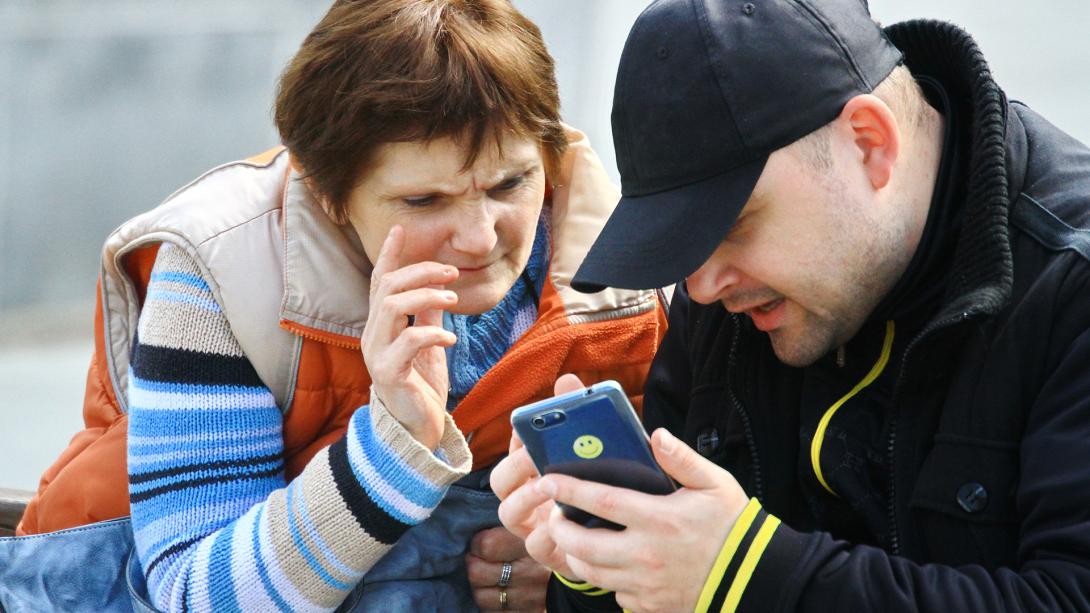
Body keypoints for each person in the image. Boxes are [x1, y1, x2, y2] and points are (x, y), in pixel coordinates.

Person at [1, 1, 667, 611]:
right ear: (330, 196)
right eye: (424, 200)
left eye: (510, 183)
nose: (480, 234)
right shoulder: (219, 269)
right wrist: (394, 446)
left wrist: (576, 573)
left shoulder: (638, 275)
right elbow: (190, 594)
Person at [492, 0, 1090, 611]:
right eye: (680, 242)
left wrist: (750, 579)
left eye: (730, 224)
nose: (699, 288)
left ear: (869, 143)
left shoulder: (1072, 288)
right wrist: (604, 562)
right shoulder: (731, 293)